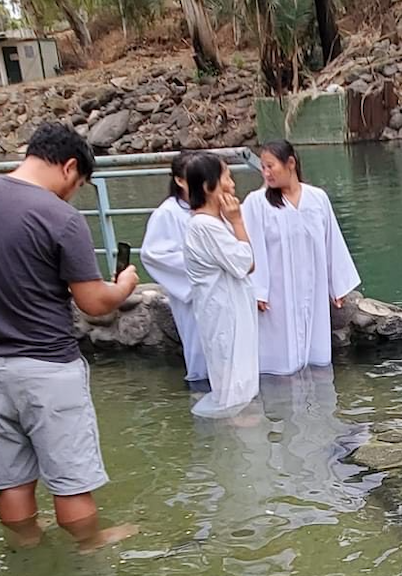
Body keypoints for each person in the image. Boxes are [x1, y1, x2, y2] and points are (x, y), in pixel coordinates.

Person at [0, 123, 140, 552]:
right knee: (72, 478)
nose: (72, 193)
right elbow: (94, 303)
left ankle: (26, 546)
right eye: (78, 184)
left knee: (12, 479)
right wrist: (125, 284)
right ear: (69, 166)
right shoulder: (58, 217)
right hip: (48, 367)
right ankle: (89, 545)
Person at [241, 140, 360, 376]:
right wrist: (259, 290)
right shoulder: (258, 202)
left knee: (316, 357)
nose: (265, 173)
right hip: (276, 291)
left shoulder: (317, 199)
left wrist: (337, 285)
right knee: (279, 361)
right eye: (263, 167)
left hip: (312, 287)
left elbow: (331, 241)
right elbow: (251, 245)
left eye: (270, 166)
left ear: (291, 164)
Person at [184, 153, 259, 417]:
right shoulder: (205, 227)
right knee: (235, 387)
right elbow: (246, 262)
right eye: (226, 176)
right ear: (208, 186)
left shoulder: (211, 224)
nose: (232, 182)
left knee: (237, 380)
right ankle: (240, 444)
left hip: (227, 313)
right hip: (225, 317)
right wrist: (237, 221)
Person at [140, 151, 208, 389]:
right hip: (194, 294)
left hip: (221, 293)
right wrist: (201, 267)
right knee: (202, 349)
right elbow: (153, 254)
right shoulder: (168, 213)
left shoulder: (212, 206)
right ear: (180, 180)